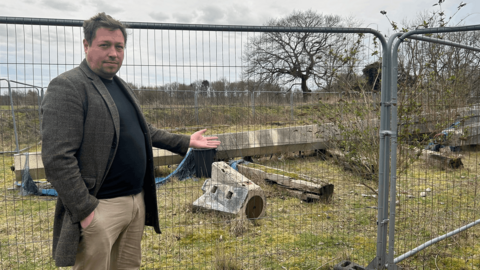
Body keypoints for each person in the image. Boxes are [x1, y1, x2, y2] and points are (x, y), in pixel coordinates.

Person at [41, 12, 220, 269]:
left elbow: (143, 130)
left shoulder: (119, 85)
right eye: (105, 45)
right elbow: (57, 159)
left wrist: (185, 141)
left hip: (136, 202)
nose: (113, 53)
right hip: (100, 208)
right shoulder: (68, 86)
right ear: (86, 45)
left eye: (119, 46)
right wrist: (86, 212)